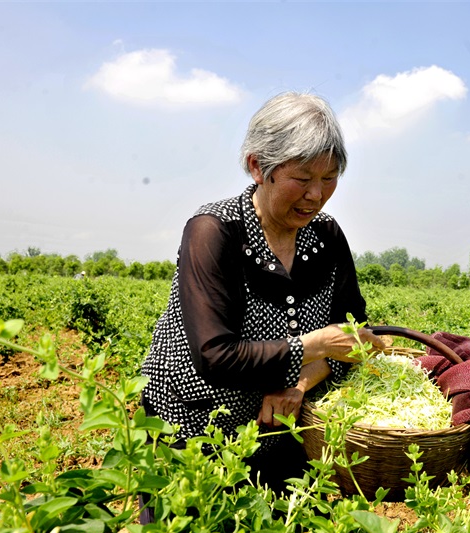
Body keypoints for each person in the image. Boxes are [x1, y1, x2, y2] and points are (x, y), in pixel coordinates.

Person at [140, 91, 385, 493]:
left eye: (329, 179)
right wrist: (314, 344)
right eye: (302, 179)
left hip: (282, 428)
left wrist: (301, 382)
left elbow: (352, 333)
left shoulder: (326, 236)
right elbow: (215, 355)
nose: (316, 195)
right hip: (194, 434)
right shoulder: (214, 231)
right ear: (258, 166)